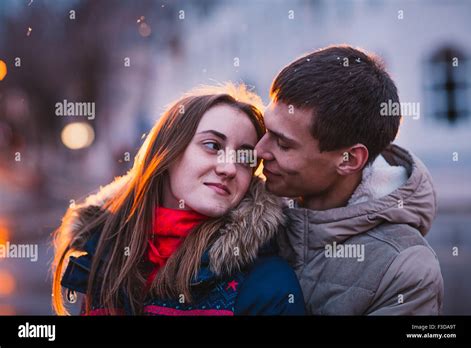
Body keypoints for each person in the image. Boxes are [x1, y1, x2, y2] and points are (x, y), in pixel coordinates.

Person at [52, 84, 305, 316]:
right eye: (213, 145)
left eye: (245, 157)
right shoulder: (106, 249)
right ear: (168, 153)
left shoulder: (267, 282)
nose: (229, 168)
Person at [255, 45, 444, 315]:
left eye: (283, 144)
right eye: (266, 129)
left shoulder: (405, 270)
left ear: (349, 159)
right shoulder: (241, 214)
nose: (259, 151)